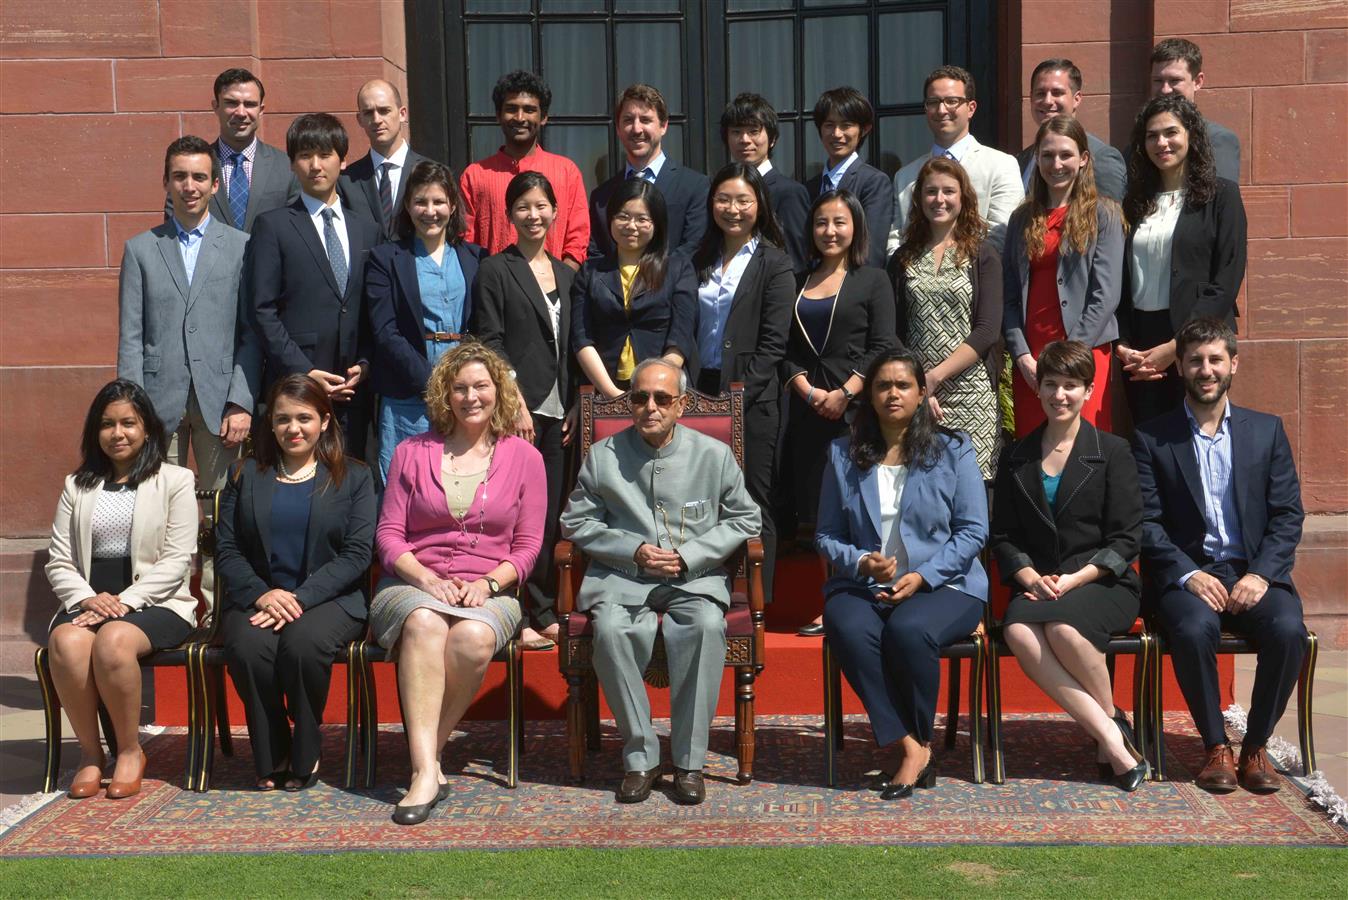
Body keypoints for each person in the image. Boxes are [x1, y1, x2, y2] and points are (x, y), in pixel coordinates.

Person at [559, 358, 761, 806]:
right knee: (610, 631)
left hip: (694, 578)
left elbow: (746, 517)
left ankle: (689, 762)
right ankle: (641, 757)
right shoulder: (604, 456)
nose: (650, 406)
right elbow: (576, 520)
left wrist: (691, 556)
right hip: (623, 577)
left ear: (681, 405)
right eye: (640, 397)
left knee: (706, 626)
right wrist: (631, 549)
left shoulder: (713, 454)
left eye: (662, 398)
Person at [372, 343, 546, 825]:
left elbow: (529, 546)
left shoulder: (527, 458)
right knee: (426, 622)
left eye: (481, 387)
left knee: (472, 636)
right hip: (412, 581)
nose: (471, 397)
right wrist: (425, 578)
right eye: (460, 387)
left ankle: (427, 758)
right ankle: (426, 771)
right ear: (445, 395)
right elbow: (388, 535)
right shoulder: (411, 452)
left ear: (499, 393)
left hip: (490, 585)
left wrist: (490, 584)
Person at [1134, 319, 1306, 795]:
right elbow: (1146, 524)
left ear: (1233, 363)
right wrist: (1187, 574)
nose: (1205, 370)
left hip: (1253, 572)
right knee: (1192, 628)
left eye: (1214, 359)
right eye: (1195, 360)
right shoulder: (1153, 438)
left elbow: (1288, 514)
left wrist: (1262, 575)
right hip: (1189, 574)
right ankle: (1216, 748)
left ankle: (1254, 747)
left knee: (1289, 630)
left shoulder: (1266, 431)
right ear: (1180, 368)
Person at [816, 351, 988, 800]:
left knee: (910, 630)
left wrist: (925, 577)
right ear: (869, 396)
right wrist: (859, 561)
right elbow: (826, 534)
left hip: (946, 583)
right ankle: (910, 743)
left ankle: (919, 742)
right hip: (864, 583)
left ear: (921, 392)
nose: (893, 393)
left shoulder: (954, 449)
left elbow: (973, 531)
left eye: (903, 385)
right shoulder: (842, 454)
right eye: (883, 386)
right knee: (847, 625)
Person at [990, 341, 1148, 792]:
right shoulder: (1016, 456)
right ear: (1037, 389)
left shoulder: (1114, 452)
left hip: (1103, 580)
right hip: (1039, 583)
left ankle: (1113, 741)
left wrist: (1079, 577)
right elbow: (1003, 536)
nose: (1060, 394)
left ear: (1088, 390)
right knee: (1018, 630)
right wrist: (1028, 576)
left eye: (1071, 386)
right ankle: (1113, 730)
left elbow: (1126, 539)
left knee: (1061, 629)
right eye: (1051, 384)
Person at [214, 375, 375, 791]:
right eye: (283, 419)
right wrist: (263, 594)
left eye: (304, 418)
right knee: (249, 648)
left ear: (325, 421)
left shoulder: (354, 478)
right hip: (256, 598)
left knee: (303, 644)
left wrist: (299, 598)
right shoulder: (244, 475)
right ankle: (272, 753)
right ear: (270, 424)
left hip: (329, 601)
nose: (293, 428)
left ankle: (306, 749)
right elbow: (227, 550)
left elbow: (357, 554)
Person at [120, 136, 260, 608]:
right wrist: (131, 411)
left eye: (200, 176)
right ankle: (172, 603)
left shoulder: (241, 247)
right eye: (180, 176)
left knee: (223, 507)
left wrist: (242, 400)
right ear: (166, 182)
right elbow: (131, 336)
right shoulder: (141, 249)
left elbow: (249, 333)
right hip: (158, 402)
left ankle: (221, 606)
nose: (190, 186)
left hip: (221, 401)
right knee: (161, 510)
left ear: (215, 183)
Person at [44, 381, 198, 800]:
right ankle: (91, 755)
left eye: (128, 423)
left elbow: (177, 559)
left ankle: (129, 751)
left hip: (157, 602)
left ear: (147, 428)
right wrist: (86, 599)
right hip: (90, 602)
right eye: (107, 424)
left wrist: (125, 602)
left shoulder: (176, 480)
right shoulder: (77, 485)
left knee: (113, 641)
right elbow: (58, 560)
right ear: (96, 431)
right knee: (66, 642)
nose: (118, 433)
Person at [470, 171, 576, 650]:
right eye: (523, 208)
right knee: (513, 514)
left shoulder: (570, 275)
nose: (534, 216)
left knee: (550, 513)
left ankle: (546, 607)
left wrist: (577, 403)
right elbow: (488, 341)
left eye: (541, 206)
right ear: (510, 215)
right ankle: (517, 612)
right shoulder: (495, 270)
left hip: (561, 412)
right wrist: (511, 400)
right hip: (517, 412)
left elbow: (577, 345)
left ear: (555, 212)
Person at [689, 162, 795, 601]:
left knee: (752, 496)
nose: (733, 209)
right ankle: (704, 586)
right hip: (696, 390)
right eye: (724, 199)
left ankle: (755, 598)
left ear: (759, 205)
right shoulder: (698, 257)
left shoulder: (775, 262)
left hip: (752, 397)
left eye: (743, 200)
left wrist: (736, 398)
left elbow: (774, 344)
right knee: (699, 495)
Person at [247, 113, 381, 457]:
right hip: (296, 389)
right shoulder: (273, 226)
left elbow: (373, 307)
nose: (316, 165)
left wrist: (365, 365)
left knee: (351, 481)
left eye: (325, 155)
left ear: (343, 160)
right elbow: (262, 311)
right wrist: (304, 370)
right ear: (292, 163)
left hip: (354, 390)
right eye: (305, 156)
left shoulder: (366, 229)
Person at [779, 189, 896, 558]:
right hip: (804, 409)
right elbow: (784, 348)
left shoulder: (873, 279)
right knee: (810, 509)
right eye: (821, 222)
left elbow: (882, 343)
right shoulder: (796, 281)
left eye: (839, 222)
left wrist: (844, 393)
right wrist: (808, 392)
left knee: (853, 507)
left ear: (856, 227)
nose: (830, 231)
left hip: (854, 411)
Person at [1117, 95, 1247, 428]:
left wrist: (1178, 346)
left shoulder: (1222, 196)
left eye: (1171, 132)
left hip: (1199, 338)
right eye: (1152, 135)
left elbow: (1227, 279)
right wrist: (1125, 343)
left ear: (1190, 134)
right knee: (1149, 440)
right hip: (1142, 345)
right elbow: (1121, 278)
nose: (1161, 142)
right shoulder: (1133, 201)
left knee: (1200, 436)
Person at [1004, 116, 1124, 437]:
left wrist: (1067, 359)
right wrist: (1022, 356)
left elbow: (1106, 295)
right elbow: (1010, 296)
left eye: (1066, 155)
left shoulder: (1105, 214)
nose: (1056, 164)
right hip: (1032, 362)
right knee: (1034, 449)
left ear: (1083, 159)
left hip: (1083, 354)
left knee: (1084, 448)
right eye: (1047, 155)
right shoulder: (1021, 219)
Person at [366, 160, 487, 479]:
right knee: (407, 480)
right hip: (408, 391)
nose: (429, 210)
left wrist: (462, 383)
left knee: (462, 475)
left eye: (438, 201)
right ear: (407, 205)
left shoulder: (475, 258)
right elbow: (385, 331)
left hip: (467, 390)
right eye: (420, 201)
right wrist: (433, 384)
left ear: (452, 205)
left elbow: (484, 325)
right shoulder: (386, 259)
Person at [887, 157, 1002, 480]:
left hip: (971, 390)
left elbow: (987, 330)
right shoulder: (903, 257)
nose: (939, 199)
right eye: (931, 191)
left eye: (949, 191)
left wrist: (935, 377)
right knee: (920, 483)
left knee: (972, 487)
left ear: (963, 198)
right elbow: (894, 331)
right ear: (919, 198)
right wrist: (920, 385)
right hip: (915, 391)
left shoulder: (983, 255)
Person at [571, 178, 698, 396]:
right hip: (605, 388)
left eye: (642, 219)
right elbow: (582, 338)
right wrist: (613, 394)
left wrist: (653, 388)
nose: (631, 226)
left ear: (656, 224)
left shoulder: (678, 268)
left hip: (663, 391)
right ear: (610, 219)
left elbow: (681, 337)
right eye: (623, 216)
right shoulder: (590, 271)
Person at [460, 70, 589, 268]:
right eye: (511, 109)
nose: (520, 118)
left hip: (554, 290)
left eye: (529, 110)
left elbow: (577, 239)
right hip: (494, 291)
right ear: (498, 115)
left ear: (543, 117)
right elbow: (466, 242)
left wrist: (561, 283)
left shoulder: (566, 172)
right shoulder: (475, 175)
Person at [887, 66, 1021, 255]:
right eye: (933, 102)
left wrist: (948, 276)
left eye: (952, 101)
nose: (941, 110)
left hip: (979, 278)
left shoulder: (1001, 166)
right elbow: (895, 239)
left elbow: (1000, 237)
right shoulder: (905, 176)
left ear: (971, 108)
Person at [167, 68, 298, 232]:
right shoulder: (192, 166)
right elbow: (174, 226)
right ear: (216, 106)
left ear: (261, 110)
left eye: (250, 104)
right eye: (232, 103)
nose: (241, 113)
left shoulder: (287, 166)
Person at [589, 83, 709, 259]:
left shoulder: (695, 186)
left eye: (645, 120)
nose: (637, 129)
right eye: (628, 120)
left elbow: (693, 249)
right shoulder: (601, 197)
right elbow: (596, 255)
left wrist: (650, 282)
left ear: (664, 126)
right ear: (618, 128)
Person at [803, 87, 893, 270]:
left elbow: (871, 251)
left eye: (846, 125)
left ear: (864, 129)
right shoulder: (809, 188)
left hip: (853, 287)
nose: (836, 134)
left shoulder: (874, 182)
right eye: (829, 125)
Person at [721, 92, 812, 272]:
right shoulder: (717, 191)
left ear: (773, 139)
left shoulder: (789, 193)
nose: (744, 140)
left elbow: (796, 262)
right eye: (736, 132)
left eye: (754, 131)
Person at [1016, 59, 1126, 201]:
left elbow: (1109, 218)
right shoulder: (1022, 160)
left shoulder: (1101, 158)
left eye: (1057, 92)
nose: (1048, 101)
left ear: (1077, 99)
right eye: (1040, 93)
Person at [339, 79, 428, 242]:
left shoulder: (431, 172)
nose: (377, 119)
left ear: (402, 114)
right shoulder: (346, 181)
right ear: (359, 119)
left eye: (384, 110)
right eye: (368, 113)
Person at [1148, 38, 1240, 183]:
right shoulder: (1140, 142)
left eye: (1175, 80)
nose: (1165, 90)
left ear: (1197, 82)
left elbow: (1221, 201)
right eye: (1158, 81)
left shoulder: (1217, 140)